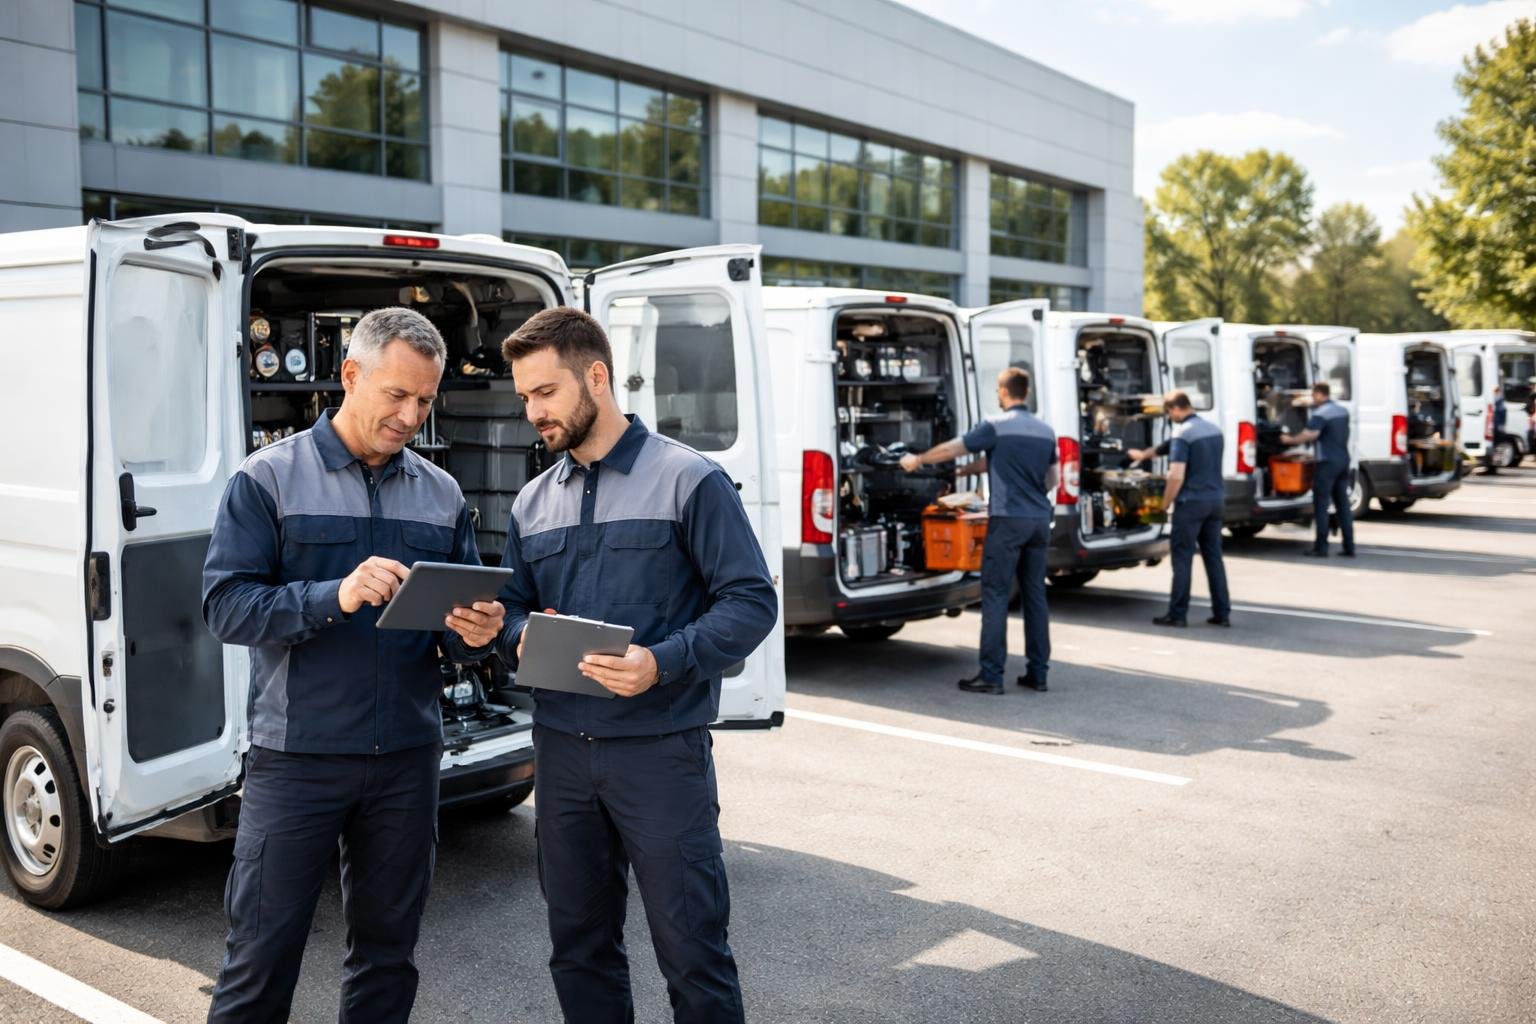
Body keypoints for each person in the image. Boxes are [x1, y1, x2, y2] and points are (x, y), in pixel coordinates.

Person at [201, 307, 506, 1023]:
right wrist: (331, 596)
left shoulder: (441, 493)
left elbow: (456, 632)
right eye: (396, 395)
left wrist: (475, 631)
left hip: (405, 758)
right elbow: (227, 607)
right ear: (349, 375)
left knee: (388, 959)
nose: (410, 415)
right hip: (297, 756)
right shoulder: (267, 480)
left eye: (425, 400)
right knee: (259, 960)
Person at [491, 307, 777, 1024]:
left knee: (693, 952)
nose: (534, 412)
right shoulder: (530, 504)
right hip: (560, 757)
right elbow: (513, 610)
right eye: (525, 396)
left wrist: (663, 661)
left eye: (546, 392)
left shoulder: (689, 480)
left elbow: (750, 603)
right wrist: (516, 633)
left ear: (597, 376)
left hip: (660, 754)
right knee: (578, 948)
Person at [900, 367, 1057, 694]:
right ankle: (1038, 673)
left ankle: (991, 675)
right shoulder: (1045, 432)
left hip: (1008, 520)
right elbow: (1050, 479)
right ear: (1025, 392)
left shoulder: (995, 427)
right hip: (1040, 521)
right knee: (1035, 597)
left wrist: (918, 460)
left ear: (1003, 391)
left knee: (996, 594)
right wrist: (971, 469)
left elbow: (952, 448)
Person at [1130, 390, 1231, 627]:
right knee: (1214, 557)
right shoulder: (1213, 430)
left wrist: (1163, 505)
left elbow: (1176, 475)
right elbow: (1166, 447)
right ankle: (1222, 612)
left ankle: (1177, 614)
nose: (1169, 417)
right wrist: (1144, 454)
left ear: (1175, 409)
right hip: (1216, 501)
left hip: (1191, 504)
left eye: (1168, 413)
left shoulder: (1182, 434)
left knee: (1183, 558)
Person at [1281, 381, 1356, 558]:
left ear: (1320, 394)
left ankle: (1321, 547)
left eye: (1314, 395)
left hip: (1327, 463)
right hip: (1343, 460)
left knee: (1321, 505)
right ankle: (1349, 546)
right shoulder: (1342, 410)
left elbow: (1310, 434)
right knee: (1343, 504)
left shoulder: (1321, 413)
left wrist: (1289, 440)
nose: (1313, 399)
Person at [1485, 385, 1508, 474]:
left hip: (1497, 427)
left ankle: (1493, 468)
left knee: (1495, 447)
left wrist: (1500, 426)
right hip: (1497, 427)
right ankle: (1492, 467)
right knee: (1495, 447)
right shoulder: (1499, 401)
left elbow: (1502, 414)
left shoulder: (1499, 402)